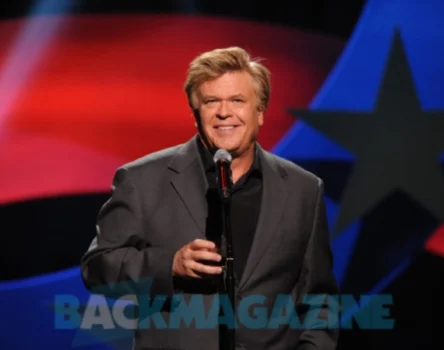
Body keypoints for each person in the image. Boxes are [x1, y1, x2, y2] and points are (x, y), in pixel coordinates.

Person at [80, 46, 339, 350]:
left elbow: (320, 299)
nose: (224, 112)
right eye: (211, 101)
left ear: (260, 112)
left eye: (237, 101)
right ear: (195, 112)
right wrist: (169, 265)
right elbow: (97, 269)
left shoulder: (303, 190)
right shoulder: (142, 180)